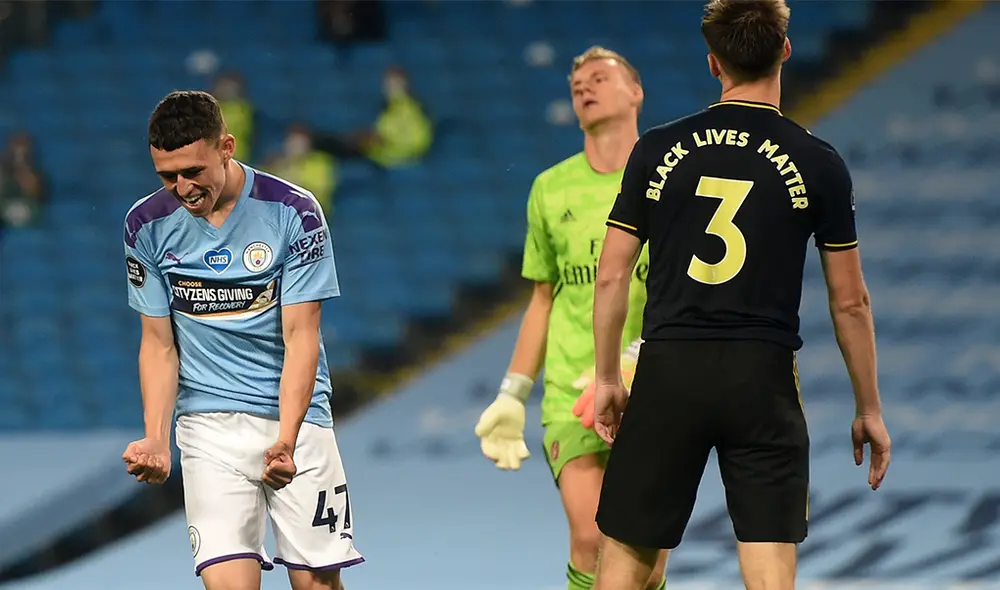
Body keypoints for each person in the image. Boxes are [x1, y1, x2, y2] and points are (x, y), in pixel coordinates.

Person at [585, 2, 892, 589]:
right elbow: (850, 301)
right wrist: (869, 408)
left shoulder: (655, 150)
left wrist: (606, 378)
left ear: (712, 63)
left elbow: (612, 275)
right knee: (768, 563)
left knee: (627, 563)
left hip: (669, 368)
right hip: (762, 376)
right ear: (785, 50)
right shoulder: (818, 162)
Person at [120, 90, 362, 590]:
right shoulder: (145, 226)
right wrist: (156, 438)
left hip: (294, 420)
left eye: (193, 171)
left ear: (226, 147)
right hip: (208, 428)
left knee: (316, 584)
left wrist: (288, 441)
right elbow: (158, 344)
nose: (182, 188)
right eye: (168, 176)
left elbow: (301, 337)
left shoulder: (293, 212)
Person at [473, 47, 667, 590]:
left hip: (655, 387)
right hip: (571, 395)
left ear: (636, 92)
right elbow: (543, 298)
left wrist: (635, 362)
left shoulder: (671, 184)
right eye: (576, 81)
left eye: (600, 77)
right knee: (592, 538)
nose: (584, 86)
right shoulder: (550, 188)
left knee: (642, 561)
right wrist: (513, 392)